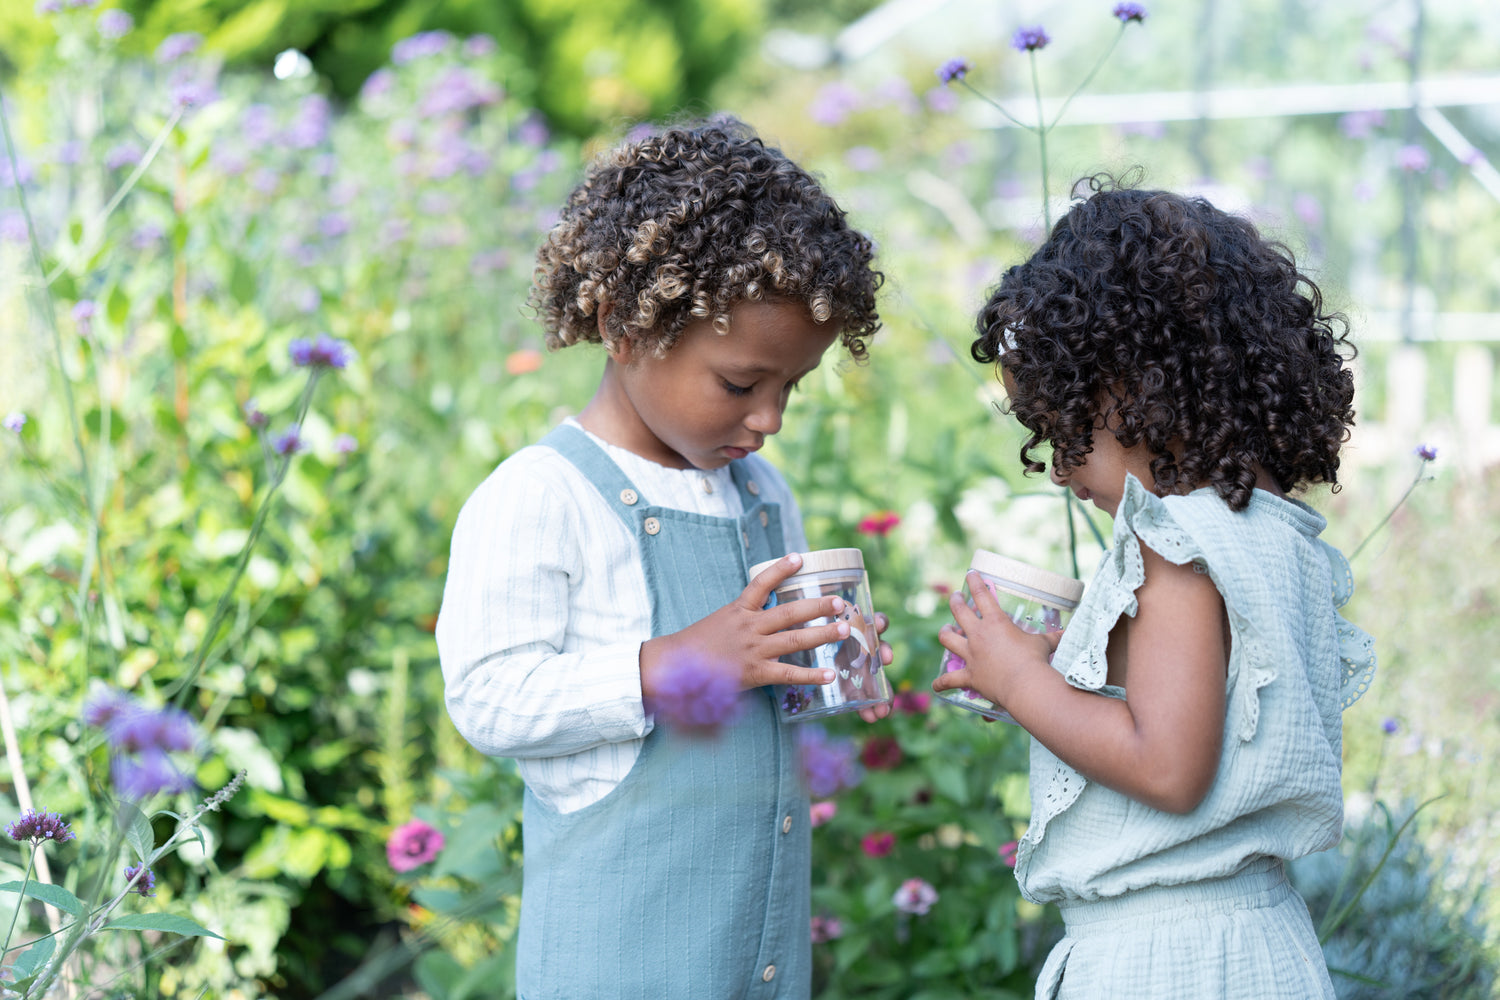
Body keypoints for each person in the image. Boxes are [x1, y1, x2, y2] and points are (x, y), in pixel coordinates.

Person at [436, 115, 891, 1000]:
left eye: (790, 387)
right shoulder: (543, 496)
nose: (770, 420)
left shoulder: (763, 497)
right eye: (740, 384)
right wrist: (674, 665)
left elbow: (763, 682)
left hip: (753, 955)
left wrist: (825, 655)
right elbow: (487, 695)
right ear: (622, 325)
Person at [934, 176, 1377, 999]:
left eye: (1068, 430)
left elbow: (1168, 768)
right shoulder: (1269, 533)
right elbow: (1198, 714)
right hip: (1254, 943)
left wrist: (1022, 682)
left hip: (1168, 962)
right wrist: (1060, 675)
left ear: (1140, 389)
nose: (1063, 471)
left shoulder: (1176, 540)